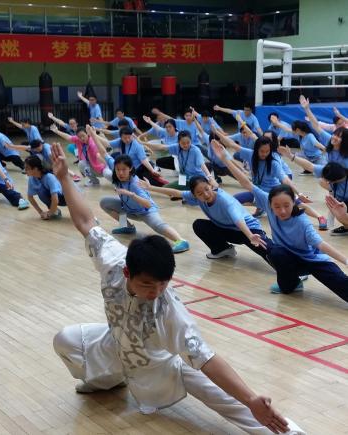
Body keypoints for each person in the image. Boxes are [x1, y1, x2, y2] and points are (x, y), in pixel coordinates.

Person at [50, 142, 305, 435]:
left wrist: (250, 398)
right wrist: (65, 178)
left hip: (161, 361)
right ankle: (107, 380)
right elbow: (86, 221)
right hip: (115, 343)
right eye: (147, 284)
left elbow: (208, 359)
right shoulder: (112, 260)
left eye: (163, 283)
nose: (155, 291)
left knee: (229, 399)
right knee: (65, 340)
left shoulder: (168, 308)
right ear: (127, 272)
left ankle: (291, 432)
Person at [213, 140, 348, 303]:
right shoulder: (268, 204)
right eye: (277, 206)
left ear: (294, 203)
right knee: (275, 252)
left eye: (286, 205)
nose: (282, 210)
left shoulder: (302, 222)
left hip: (312, 261)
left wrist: (345, 260)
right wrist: (225, 158)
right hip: (289, 258)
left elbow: (321, 245)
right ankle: (293, 283)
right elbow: (246, 183)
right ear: (269, 205)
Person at [140, 175, 271, 261]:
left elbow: (238, 219)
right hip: (227, 230)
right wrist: (150, 187)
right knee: (199, 225)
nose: (206, 194)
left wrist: (250, 235)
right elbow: (176, 193)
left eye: (207, 189)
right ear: (194, 195)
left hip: (248, 230)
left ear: (210, 185)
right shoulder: (196, 196)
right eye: (200, 193)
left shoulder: (225, 200)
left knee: (272, 254)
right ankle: (223, 250)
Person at [99, 153, 189, 253]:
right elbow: (106, 154)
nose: (120, 173)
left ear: (130, 169)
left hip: (145, 211)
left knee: (158, 225)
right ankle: (127, 227)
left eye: (124, 169)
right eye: (118, 169)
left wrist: (131, 194)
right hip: (129, 208)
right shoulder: (116, 173)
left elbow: (148, 204)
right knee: (105, 202)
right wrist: (93, 136)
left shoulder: (136, 184)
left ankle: (181, 241)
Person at [278, 146, 348, 236]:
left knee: (342, 214)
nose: (327, 182)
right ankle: (346, 227)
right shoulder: (331, 170)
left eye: (329, 181)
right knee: (337, 210)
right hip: (343, 200)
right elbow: (310, 166)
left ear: (335, 179)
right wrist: (291, 156)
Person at [141, 130, 213, 190]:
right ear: (179, 142)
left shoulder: (195, 150)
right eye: (183, 143)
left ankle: (191, 191)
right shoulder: (177, 147)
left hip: (197, 178)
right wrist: (144, 143)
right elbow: (162, 147)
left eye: (188, 142)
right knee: (166, 189)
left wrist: (209, 177)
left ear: (191, 141)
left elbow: (202, 165)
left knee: (195, 190)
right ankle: (184, 192)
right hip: (184, 177)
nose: (186, 145)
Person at [98, 126, 168, 187]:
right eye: (125, 138)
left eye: (129, 137)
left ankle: (174, 190)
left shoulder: (137, 145)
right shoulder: (120, 141)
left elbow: (143, 160)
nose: (127, 140)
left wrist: (152, 170)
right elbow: (107, 144)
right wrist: (93, 135)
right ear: (121, 137)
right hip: (131, 170)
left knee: (158, 184)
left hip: (143, 169)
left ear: (132, 135)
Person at [24, 155, 66, 220]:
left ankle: (53, 211)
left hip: (68, 197)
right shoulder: (32, 178)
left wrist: (49, 214)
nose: (25, 170)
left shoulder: (49, 177)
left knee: (77, 217)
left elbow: (55, 200)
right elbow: (30, 197)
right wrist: (41, 212)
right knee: (41, 191)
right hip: (58, 198)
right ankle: (55, 211)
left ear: (35, 169)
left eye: (27, 168)